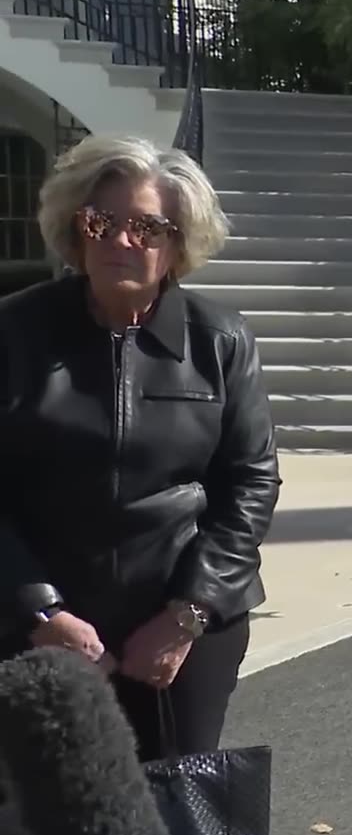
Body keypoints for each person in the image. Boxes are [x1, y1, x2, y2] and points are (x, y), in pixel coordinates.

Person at [0, 134, 279, 762]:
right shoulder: (13, 333)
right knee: (40, 821)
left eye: (147, 227)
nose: (121, 241)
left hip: (183, 621)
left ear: (178, 243)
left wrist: (187, 615)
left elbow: (251, 483)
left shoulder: (221, 342)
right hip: (37, 622)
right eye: (101, 221)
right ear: (76, 229)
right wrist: (40, 614)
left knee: (179, 812)